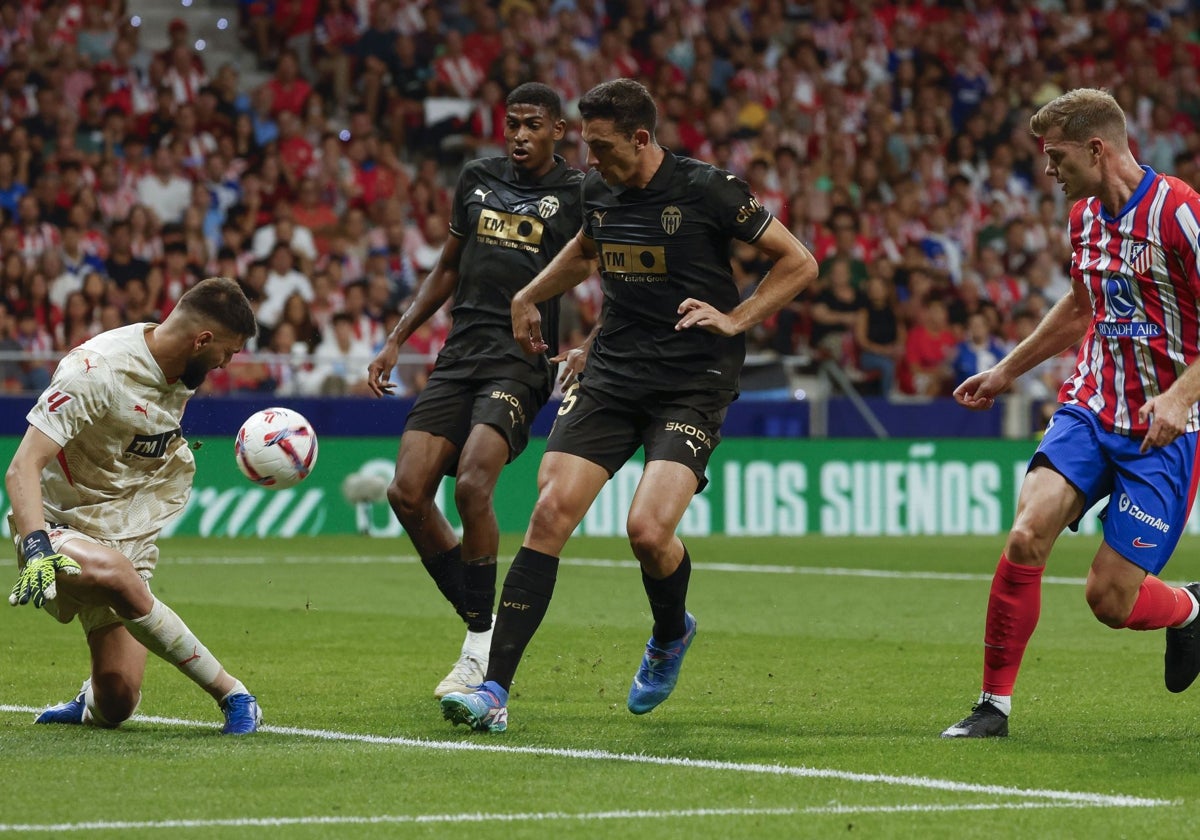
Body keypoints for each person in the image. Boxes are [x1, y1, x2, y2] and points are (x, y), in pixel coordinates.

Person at [440, 78, 817, 733]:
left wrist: (736, 317)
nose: (591, 160)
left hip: (691, 381)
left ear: (642, 139)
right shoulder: (597, 190)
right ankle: (494, 689)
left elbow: (798, 262)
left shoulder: (707, 189)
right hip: (613, 372)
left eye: (604, 147)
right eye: (587, 146)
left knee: (646, 531)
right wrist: (529, 295)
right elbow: (587, 252)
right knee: (550, 511)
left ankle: (671, 631)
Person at [942, 88, 1200, 739]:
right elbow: (1084, 306)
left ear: (1097, 147)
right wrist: (1007, 370)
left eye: (1057, 157)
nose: (1048, 170)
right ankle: (992, 706)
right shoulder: (1084, 216)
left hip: (1165, 431)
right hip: (1090, 407)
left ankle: (1189, 610)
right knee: (1028, 533)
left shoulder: (1180, 213)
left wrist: (1179, 395)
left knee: (1108, 601)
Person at [365, 83, 585, 699]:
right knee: (407, 493)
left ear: (557, 132)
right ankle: (483, 621)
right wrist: (397, 338)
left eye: (532, 125)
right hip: (459, 355)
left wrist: (592, 342)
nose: (519, 135)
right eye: (512, 123)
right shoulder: (478, 179)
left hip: (520, 361)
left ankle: (477, 645)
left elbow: (604, 263)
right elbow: (448, 267)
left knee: (470, 484)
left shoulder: (577, 193)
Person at [6, 277, 263, 735]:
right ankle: (234, 694)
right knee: (116, 576)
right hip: (58, 524)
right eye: (229, 351)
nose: (226, 364)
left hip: (127, 529)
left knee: (118, 702)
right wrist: (37, 547)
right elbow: (21, 467)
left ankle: (90, 701)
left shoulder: (182, 368)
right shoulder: (95, 370)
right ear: (202, 339)